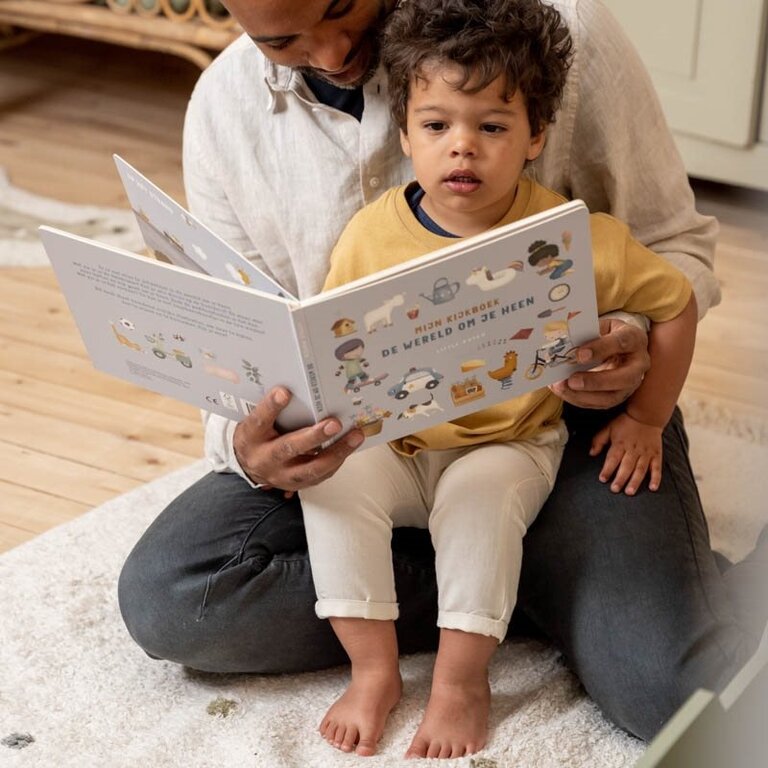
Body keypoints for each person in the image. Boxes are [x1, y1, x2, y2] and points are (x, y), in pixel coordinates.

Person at [117, 0, 767, 746]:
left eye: (339, 9)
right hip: (376, 439)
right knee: (174, 598)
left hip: (556, 421)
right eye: (283, 42)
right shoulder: (224, 111)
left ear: (531, 133)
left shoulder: (566, 31)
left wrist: (633, 354)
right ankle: (518, 585)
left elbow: (672, 253)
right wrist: (247, 444)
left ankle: (527, 586)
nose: (330, 55)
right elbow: (241, 339)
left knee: (682, 699)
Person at [297, 0, 698, 757]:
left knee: (480, 510)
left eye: (491, 126)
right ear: (406, 134)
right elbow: (335, 342)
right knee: (332, 487)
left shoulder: (574, 237)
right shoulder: (370, 232)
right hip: (395, 438)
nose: (463, 149)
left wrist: (647, 416)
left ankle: (459, 682)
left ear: (535, 136)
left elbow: (675, 304)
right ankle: (373, 669)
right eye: (437, 125)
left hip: (507, 442)